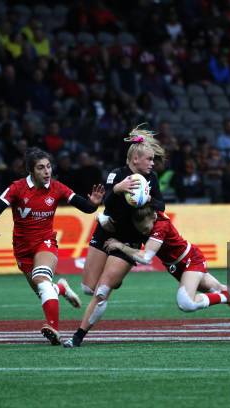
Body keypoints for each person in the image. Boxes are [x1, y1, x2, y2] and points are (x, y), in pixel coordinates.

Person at [0, 147, 105, 345]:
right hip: (22, 249)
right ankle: (61, 289)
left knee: (42, 280)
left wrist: (93, 204)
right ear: (31, 171)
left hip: (45, 242)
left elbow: (85, 207)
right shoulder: (17, 188)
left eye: (48, 167)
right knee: (44, 290)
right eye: (41, 168)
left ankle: (53, 327)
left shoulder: (57, 188)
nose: (47, 171)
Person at [102, 207, 230, 337]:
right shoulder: (148, 217)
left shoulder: (160, 226)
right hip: (178, 266)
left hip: (190, 260)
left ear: (154, 217)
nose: (144, 232)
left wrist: (120, 246)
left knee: (186, 303)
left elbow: (146, 257)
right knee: (218, 288)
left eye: (146, 229)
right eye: (141, 230)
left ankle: (226, 298)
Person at [64, 125, 166, 348]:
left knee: (102, 291)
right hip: (106, 231)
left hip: (128, 240)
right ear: (136, 158)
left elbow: (161, 205)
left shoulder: (152, 178)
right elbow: (107, 202)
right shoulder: (117, 174)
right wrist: (118, 189)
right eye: (149, 159)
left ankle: (77, 337)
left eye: (153, 160)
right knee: (88, 288)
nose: (152, 163)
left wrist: (147, 199)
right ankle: (110, 279)